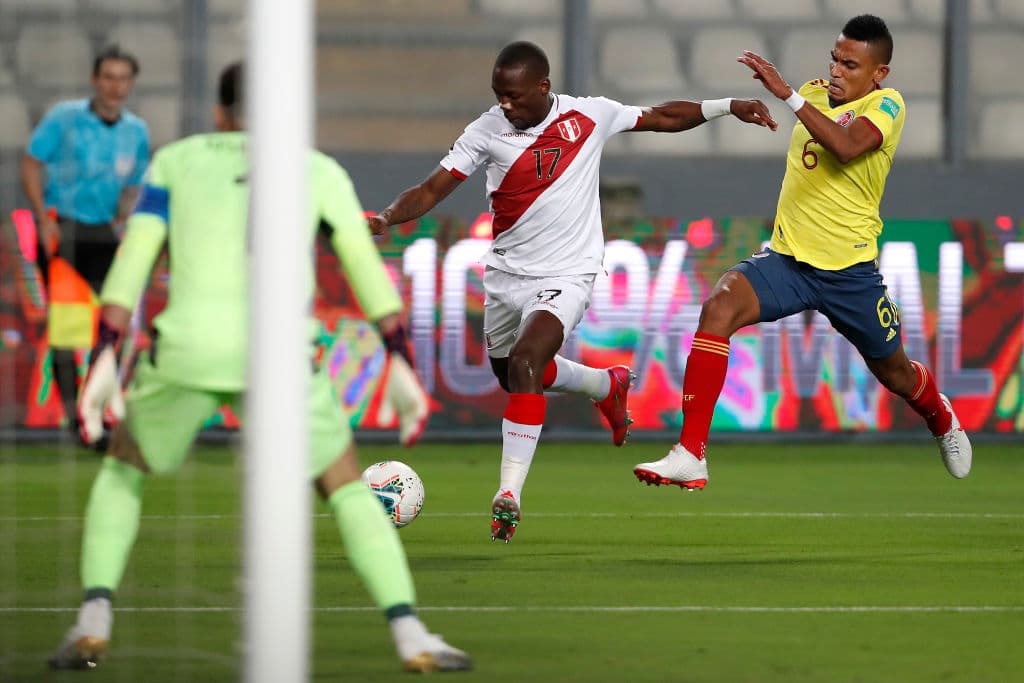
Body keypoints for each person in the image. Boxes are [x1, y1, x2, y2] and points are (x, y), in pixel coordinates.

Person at [48, 62, 471, 673]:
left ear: (221, 113)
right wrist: (399, 360)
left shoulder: (176, 161)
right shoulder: (318, 170)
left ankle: (93, 618)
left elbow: (134, 258)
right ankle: (411, 635)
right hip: (281, 355)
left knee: (124, 468)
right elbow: (361, 264)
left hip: (189, 349)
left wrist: (105, 354)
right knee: (346, 484)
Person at [368, 41, 777, 543]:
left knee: (524, 363)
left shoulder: (589, 116)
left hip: (568, 273)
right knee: (510, 374)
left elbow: (665, 117)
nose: (506, 106)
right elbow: (432, 189)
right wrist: (387, 217)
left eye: (515, 97)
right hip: (506, 274)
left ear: (543, 87)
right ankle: (608, 386)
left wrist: (726, 107)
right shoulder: (485, 131)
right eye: (499, 96)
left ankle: (508, 495)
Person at [633, 15, 972, 490]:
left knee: (895, 374)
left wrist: (786, 94)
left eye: (850, 64)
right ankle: (691, 453)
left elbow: (848, 148)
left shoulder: (887, 105)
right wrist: (753, 104)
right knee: (719, 306)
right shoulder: (813, 93)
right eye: (835, 58)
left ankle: (940, 416)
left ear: (879, 73)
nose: (836, 70)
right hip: (789, 261)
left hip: (849, 272)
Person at [20, 45, 150, 433]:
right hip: (66, 230)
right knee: (66, 330)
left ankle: (98, 404)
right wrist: (43, 218)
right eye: (109, 77)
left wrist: (128, 216)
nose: (116, 86)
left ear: (131, 84)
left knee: (112, 327)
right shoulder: (65, 118)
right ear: (96, 80)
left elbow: (133, 185)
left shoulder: (136, 131)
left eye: (123, 78)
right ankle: (76, 412)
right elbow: (30, 161)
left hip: (105, 234)